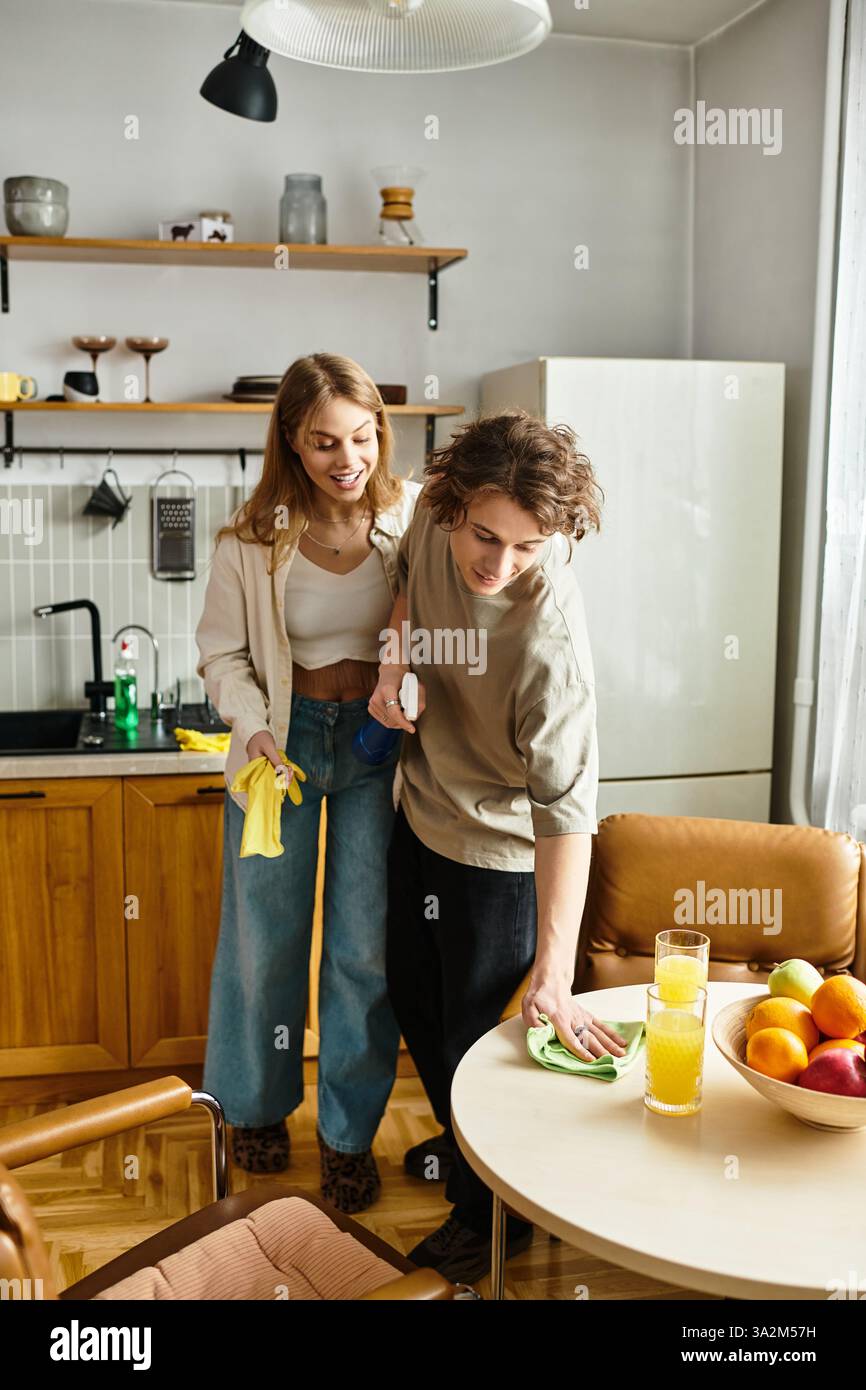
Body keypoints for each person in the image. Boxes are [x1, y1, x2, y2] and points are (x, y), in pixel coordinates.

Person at [369, 410, 627, 1281]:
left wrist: (552, 971)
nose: (497, 564)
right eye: (485, 536)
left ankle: (495, 1221)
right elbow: (405, 587)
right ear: (449, 503)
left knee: (475, 1047)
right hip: (422, 809)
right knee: (417, 1005)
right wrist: (391, 666)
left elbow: (566, 811)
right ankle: (465, 1149)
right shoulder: (422, 517)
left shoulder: (550, 636)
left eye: (525, 547)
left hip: (503, 856)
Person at [196, 352, 420, 1213]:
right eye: (325, 441)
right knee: (266, 941)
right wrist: (253, 727)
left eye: (363, 437)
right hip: (276, 753)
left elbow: (435, 626)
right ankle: (253, 1106)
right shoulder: (248, 542)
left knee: (364, 949)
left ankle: (348, 1136)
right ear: (292, 440)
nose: (348, 458)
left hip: (373, 752)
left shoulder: (409, 523)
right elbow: (222, 653)